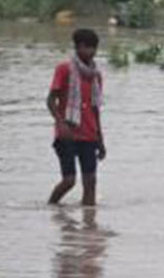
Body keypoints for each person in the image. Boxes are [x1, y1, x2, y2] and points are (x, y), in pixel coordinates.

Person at [48, 29, 106, 205]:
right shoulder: (64, 69)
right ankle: (51, 208)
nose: (92, 52)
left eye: (95, 48)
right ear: (79, 47)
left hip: (89, 135)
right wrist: (61, 123)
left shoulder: (95, 76)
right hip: (68, 134)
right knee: (69, 181)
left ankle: (89, 223)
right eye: (89, 48)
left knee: (91, 182)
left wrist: (101, 140)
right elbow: (51, 100)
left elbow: (96, 110)